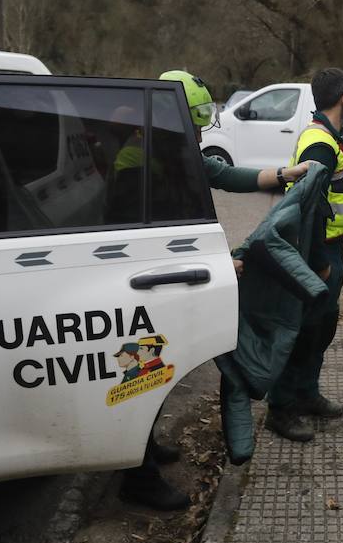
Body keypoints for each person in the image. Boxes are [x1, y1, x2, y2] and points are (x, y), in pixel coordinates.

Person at [118, 70, 313, 511]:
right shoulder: (138, 161)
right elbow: (149, 237)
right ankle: (137, 476)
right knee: (139, 369)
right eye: (194, 119)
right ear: (172, 117)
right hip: (140, 283)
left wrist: (287, 174)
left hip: (161, 277)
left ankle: (142, 447)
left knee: (158, 366)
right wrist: (217, 263)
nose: (200, 129)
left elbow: (226, 175)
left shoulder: (172, 149)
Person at [264, 68, 343, 443]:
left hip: (331, 248)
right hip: (320, 253)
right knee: (303, 329)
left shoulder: (328, 136)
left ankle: (306, 393)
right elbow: (309, 206)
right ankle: (281, 408)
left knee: (321, 325)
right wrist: (318, 261)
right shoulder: (320, 142)